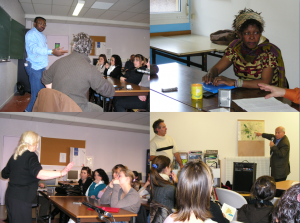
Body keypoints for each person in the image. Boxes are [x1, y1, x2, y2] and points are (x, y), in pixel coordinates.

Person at [202, 8, 287, 89]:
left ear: (260, 33)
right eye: (247, 33)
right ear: (239, 34)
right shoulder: (235, 48)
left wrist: (235, 82)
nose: (252, 37)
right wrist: (210, 74)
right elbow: (217, 68)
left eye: (256, 32)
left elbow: (265, 82)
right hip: (245, 92)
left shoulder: (267, 51)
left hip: (268, 95)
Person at [1, 131, 74, 223]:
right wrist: (61, 173)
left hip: (10, 197)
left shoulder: (15, 156)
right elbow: (39, 173)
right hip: (21, 200)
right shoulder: (31, 155)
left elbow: (4, 174)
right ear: (34, 143)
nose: (37, 145)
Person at [41, 32, 115, 112]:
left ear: (73, 46)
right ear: (89, 50)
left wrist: (55, 93)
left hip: (56, 106)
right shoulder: (90, 69)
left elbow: (45, 78)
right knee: (100, 111)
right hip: (76, 108)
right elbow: (109, 92)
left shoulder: (58, 62)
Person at [24, 16, 68, 112]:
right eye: (40, 23)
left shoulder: (42, 36)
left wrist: (53, 53)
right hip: (34, 67)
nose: (43, 26)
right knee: (37, 95)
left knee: (42, 93)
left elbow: (43, 52)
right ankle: (27, 112)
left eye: (44, 24)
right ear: (34, 24)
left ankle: (37, 110)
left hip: (42, 67)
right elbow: (34, 49)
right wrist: (52, 51)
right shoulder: (31, 34)